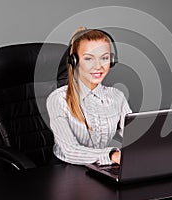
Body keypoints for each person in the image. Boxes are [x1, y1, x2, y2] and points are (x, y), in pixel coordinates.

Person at [46, 27, 132, 166]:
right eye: (88, 59)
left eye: (104, 58)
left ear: (112, 60)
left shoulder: (117, 97)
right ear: (74, 61)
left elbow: (133, 136)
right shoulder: (59, 99)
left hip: (99, 167)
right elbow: (69, 151)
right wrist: (111, 155)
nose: (98, 66)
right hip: (65, 169)